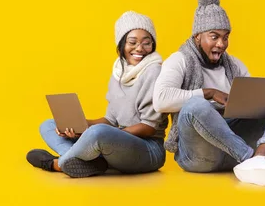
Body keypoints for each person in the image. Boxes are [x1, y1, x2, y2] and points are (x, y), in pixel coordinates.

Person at [153, 0, 265, 187]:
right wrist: (209, 93)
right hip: (199, 155)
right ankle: (260, 161)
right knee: (195, 106)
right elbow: (160, 100)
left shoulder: (235, 65)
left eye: (225, 37)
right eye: (214, 37)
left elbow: (256, 104)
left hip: (231, 147)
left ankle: (259, 159)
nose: (221, 44)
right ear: (197, 36)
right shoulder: (180, 60)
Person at [26, 11, 168, 178]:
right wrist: (81, 126)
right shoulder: (119, 72)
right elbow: (110, 120)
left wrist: (102, 136)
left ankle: (57, 164)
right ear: (121, 44)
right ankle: (89, 161)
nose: (140, 48)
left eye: (147, 43)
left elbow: (149, 127)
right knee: (49, 125)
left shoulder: (154, 70)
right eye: (133, 42)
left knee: (98, 133)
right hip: (116, 145)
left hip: (148, 150)